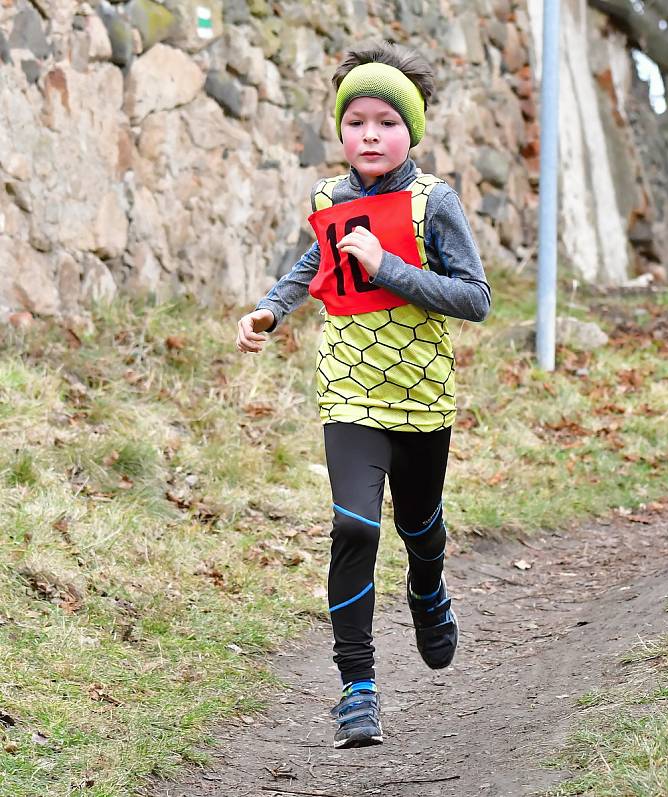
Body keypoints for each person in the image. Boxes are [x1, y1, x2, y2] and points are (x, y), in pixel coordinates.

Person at [235, 40, 491, 749]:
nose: (369, 135)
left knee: (419, 531)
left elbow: (474, 298)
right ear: (340, 131)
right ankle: (358, 688)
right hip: (348, 389)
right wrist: (269, 310)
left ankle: (428, 589)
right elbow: (312, 262)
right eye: (356, 122)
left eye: (385, 122)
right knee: (353, 526)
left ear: (411, 130)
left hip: (420, 396)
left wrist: (391, 267)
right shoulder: (331, 198)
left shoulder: (433, 202)